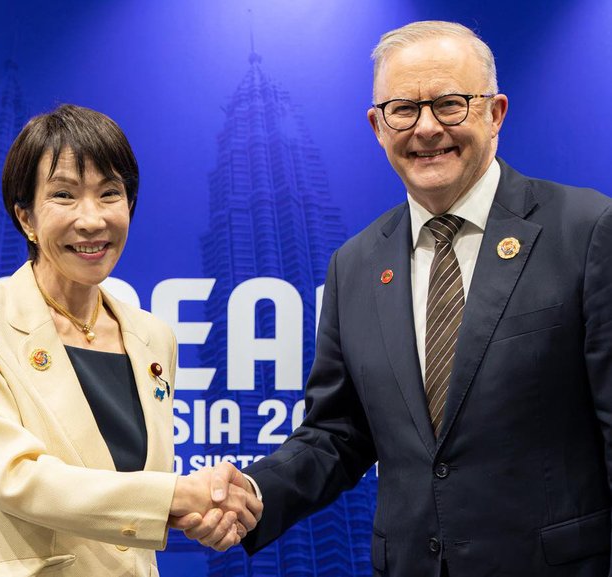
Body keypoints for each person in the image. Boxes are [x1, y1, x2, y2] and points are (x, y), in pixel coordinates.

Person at [184, 20, 612, 576]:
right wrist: (254, 493)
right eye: (403, 110)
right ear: (377, 126)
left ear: (495, 113)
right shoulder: (355, 265)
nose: (426, 128)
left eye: (450, 104)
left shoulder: (586, 230)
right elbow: (337, 433)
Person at [0, 104, 261, 576]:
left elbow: (135, 498)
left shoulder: (153, 338)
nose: (91, 219)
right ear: (26, 217)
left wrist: (201, 514)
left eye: (109, 194)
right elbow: (16, 478)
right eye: (64, 195)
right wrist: (177, 495)